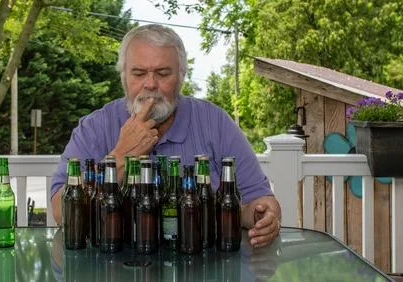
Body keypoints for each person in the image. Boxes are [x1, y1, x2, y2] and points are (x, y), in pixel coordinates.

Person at [51, 24, 281, 248]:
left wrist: (264, 216)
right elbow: (61, 214)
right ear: (123, 77)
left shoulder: (216, 122)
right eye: (139, 73)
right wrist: (121, 156)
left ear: (181, 77)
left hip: (199, 265)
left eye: (162, 73)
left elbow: (258, 199)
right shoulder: (95, 126)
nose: (150, 84)